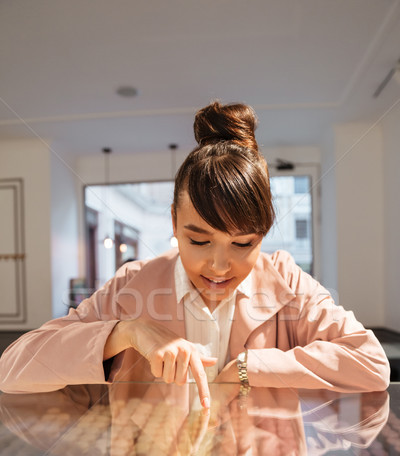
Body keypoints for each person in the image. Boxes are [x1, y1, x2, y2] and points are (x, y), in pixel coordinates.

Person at [0, 102, 390, 404]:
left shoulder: (286, 280)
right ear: (173, 222)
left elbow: (371, 363)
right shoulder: (132, 285)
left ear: (264, 234)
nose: (219, 266)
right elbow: (12, 369)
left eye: (243, 244)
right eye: (199, 241)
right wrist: (127, 332)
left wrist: (247, 367)